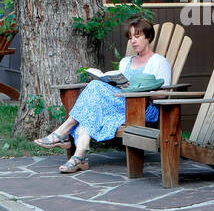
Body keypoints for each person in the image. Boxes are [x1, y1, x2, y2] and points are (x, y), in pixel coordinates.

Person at [35, 17, 172, 173]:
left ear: (148, 37)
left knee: (94, 89)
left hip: (142, 109)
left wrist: (141, 89)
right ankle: (79, 157)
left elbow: (163, 95)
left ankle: (63, 131)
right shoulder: (126, 62)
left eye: (137, 36)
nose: (133, 41)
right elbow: (116, 88)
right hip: (119, 104)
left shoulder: (159, 62)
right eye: (130, 37)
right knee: (90, 111)